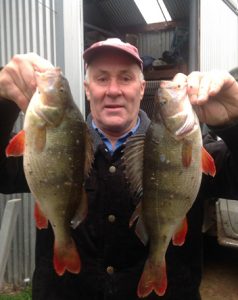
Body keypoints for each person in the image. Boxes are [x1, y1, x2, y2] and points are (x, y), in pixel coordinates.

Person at [0, 38, 238, 300]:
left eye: (125, 78)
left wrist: (234, 121)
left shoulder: (190, 152)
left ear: (141, 87)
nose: (113, 90)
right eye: (102, 78)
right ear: (87, 89)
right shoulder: (54, 146)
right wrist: (3, 102)